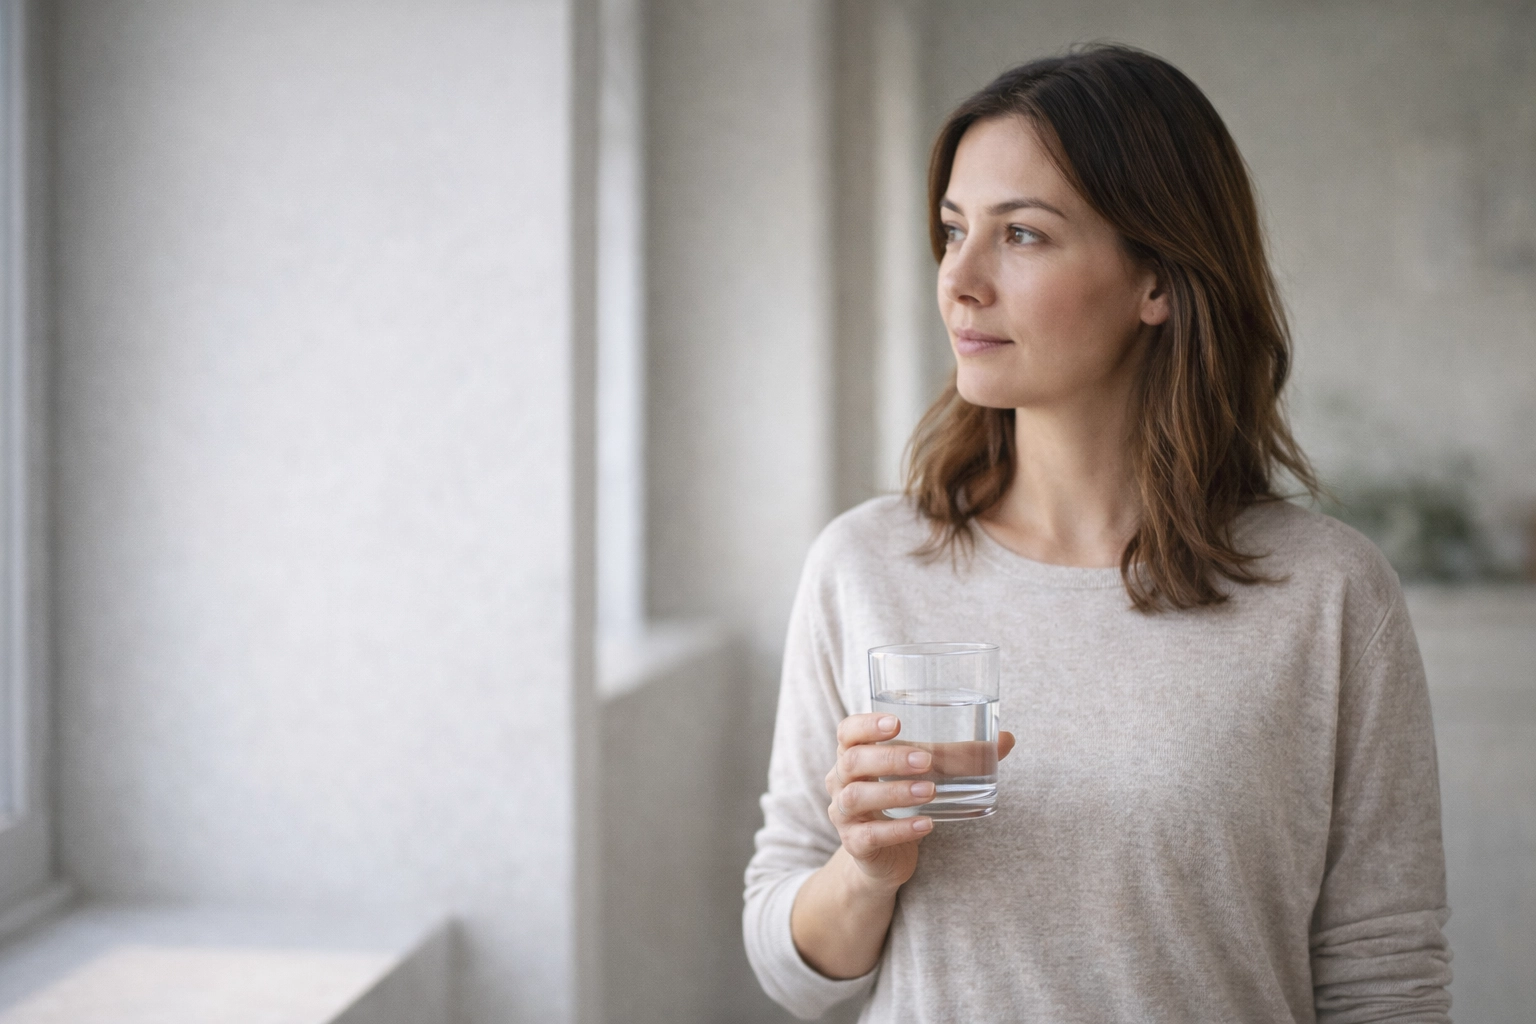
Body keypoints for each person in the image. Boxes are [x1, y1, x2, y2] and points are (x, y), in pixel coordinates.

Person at [743, 45, 1452, 1023]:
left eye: (1022, 235)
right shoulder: (865, 567)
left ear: (1156, 280)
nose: (960, 279)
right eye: (953, 231)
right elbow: (790, 970)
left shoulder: (1328, 593)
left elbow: (1387, 975)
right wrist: (865, 872)